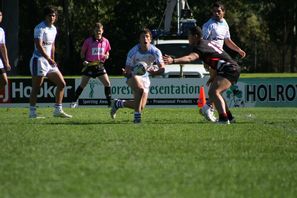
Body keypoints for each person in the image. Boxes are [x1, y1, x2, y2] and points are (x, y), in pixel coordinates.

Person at [163, 26, 240, 124]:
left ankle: (224, 119)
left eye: (189, 36)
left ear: (195, 36)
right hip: (229, 68)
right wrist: (213, 77)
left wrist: (173, 60)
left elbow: (190, 58)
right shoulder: (206, 43)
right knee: (216, 93)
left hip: (229, 69)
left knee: (214, 92)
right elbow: (217, 58)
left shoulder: (200, 46)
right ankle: (229, 117)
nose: (188, 38)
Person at [202, 1, 246, 122]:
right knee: (216, 90)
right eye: (214, 11)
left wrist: (238, 50)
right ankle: (209, 107)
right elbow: (203, 44)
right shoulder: (208, 25)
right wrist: (206, 61)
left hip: (222, 58)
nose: (216, 13)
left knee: (217, 90)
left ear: (223, 12)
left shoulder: (224, 24)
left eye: (219, 11)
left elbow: (227, 41)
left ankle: (218, 111)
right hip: (212, 58)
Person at [110, 28, 165, 123]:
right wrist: (125, 73)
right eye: (142, 37)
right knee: (140, 89)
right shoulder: (133, 52)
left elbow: (162, 68)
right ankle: (137, 118)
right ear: (139, 40)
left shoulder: (155, 51)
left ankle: (118, 103)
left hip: (145, 77)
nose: (145, 39)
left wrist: (155, 72)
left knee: (141, 105)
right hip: (133, 75)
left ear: (150, 39)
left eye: (147, 36)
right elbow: (127, 70)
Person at [29, 6, 72, 118]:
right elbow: (38, 46)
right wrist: (48, 58)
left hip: (49, 61)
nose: (52, 17)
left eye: (54, 15)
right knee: (36, 87)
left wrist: (52, 59)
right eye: (50, 15)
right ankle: (32, 112)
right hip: (38, 61)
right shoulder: (39, 28)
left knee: (62, 83)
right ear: (45, 16)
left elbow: (52, 45)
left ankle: (58, 110)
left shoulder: (53, 29)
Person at [70, 22, 112, 108]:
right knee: (83, 84)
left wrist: (107, 55)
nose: (98, 32)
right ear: (94, 31)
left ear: (102, 31)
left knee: (107, 83)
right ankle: (73, 102)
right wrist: (84, 61)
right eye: (96, 31)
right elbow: (82, 53)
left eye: (99, 31)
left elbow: (107, 51)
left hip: (100, 66)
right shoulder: (88, 41)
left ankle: (109, 103)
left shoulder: (106, 41)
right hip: (89, 66)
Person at [0, 11, 11, 91]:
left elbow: (3, 46)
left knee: (4, 81)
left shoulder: (1, 31)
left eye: (0, 15)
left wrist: (6, 62)